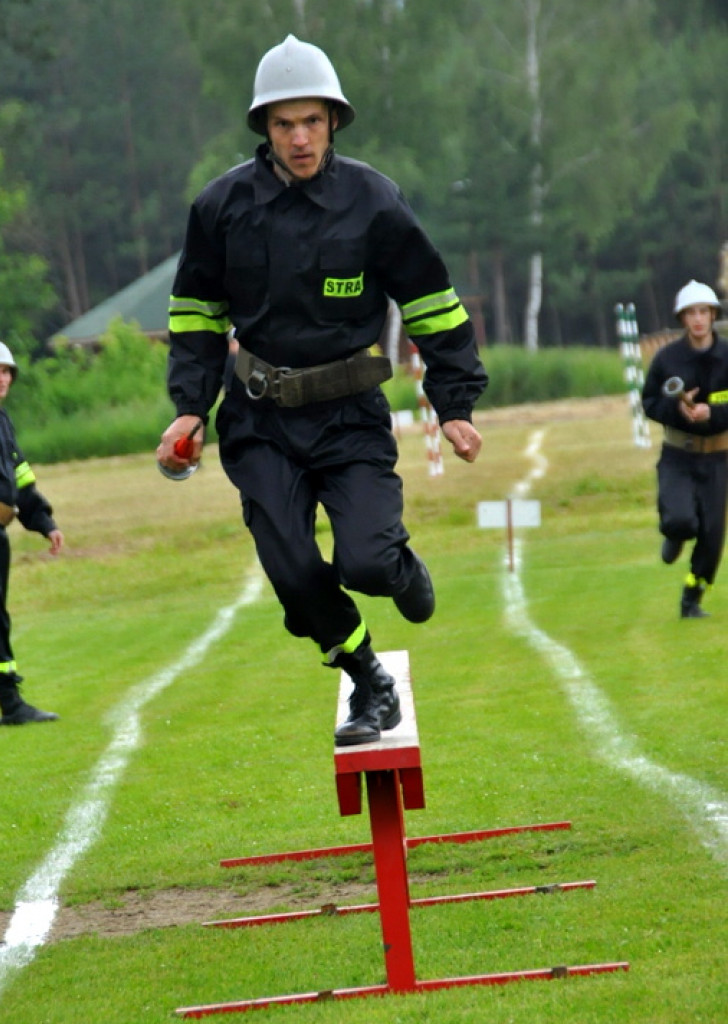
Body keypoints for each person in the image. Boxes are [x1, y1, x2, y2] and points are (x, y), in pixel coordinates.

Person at [157, 35, 488, 745]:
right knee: (293, 571)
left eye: (312, 121)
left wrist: (454, 405)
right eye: (284, 124)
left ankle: (395, 566)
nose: (300, 138)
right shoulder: (219, 208)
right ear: (264, 129)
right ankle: (367, 678)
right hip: (260, 422)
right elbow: (195, 319)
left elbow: (432, 303)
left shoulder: (373, 201)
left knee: (364, 562)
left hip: (349, 418)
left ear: (334, 120)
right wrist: (189, 409)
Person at [0, 337, 63, 727]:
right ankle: (10, 699)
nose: (0, 378)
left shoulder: (1, 422)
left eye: (5, 371)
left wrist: (45, 523)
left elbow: (21, 481)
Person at [641, 280, 728, 618]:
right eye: (691, 313)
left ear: (712, 315)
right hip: (678, 455)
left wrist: (714, 413)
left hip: (718, 457)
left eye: (703, 312)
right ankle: (674, 534)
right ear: (682, 318)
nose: (698, 319)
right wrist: (676, 411)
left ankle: (692, 597)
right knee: (680, 518)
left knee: (712, 538)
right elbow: (649, 402)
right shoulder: (666, 359)